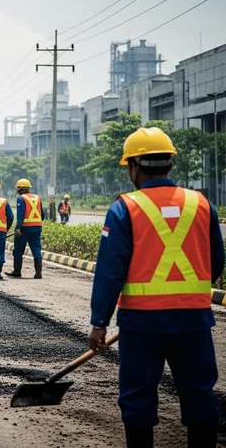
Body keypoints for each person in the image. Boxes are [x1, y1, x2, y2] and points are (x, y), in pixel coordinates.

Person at [88, 127, 223, 448]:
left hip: (142, 324)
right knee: (199, 393)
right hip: (194, 321)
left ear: (133, 166)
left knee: (137, 397)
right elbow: (216, 262)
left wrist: (99, 323)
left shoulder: (124, 207)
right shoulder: (201, 204)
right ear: (171, 165)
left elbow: (110, 272)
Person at [6, 178, 46, 279]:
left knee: (18, 250)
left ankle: (17, 271)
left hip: (24, 229)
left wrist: (18, 228)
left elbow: (20, 214)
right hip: (37, 228)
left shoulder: (21, 198)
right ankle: (38, 273)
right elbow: (42, 215)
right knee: (36, 249)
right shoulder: (38, 198)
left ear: (19, 188)